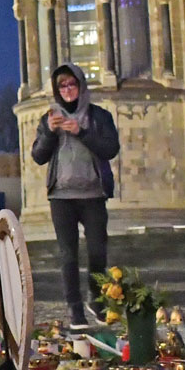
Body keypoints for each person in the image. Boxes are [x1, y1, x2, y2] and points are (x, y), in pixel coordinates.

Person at [30, 63, 121, 327]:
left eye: (72, 84)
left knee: (97, 252)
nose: (68, 90)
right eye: (62, 86)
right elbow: (38, 156)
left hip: (93, 193)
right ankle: (75, 308)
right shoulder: (48, 118)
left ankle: (97, 299)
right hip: (61, 196)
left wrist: (80, 132)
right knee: (68, 255)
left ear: (80, 86)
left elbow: (110, 148)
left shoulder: (99, 116)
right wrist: (49, 131)